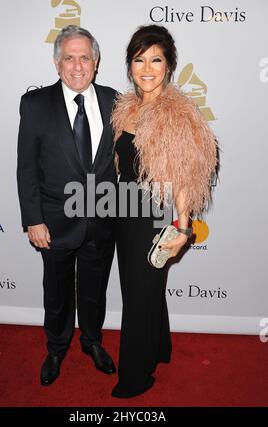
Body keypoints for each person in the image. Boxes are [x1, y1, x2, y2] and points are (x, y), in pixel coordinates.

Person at [111, 24, 217, 398]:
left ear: (169, 65)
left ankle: (135, 378)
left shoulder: (177, 113)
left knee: (140, 295)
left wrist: (182, 229)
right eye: (139, 59)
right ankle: (159, 348)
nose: (147, 67)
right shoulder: (127, 107)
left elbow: (187, 175)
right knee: (140, 289)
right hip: (122, 211)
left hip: (152, 215)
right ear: (130, 65)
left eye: (156, 59)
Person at [17, 25, 117, 386]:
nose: (78, 66)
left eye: (85, 57)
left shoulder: (115, 101)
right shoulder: (35, 104)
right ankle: (57, 347)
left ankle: (92, 342)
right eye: (69, 58)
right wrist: (33, 219)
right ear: (57, 63)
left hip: (103, 221)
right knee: (56, 292)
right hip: (54, 222)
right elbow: (26, 167)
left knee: (94, 290)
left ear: (96, 62)